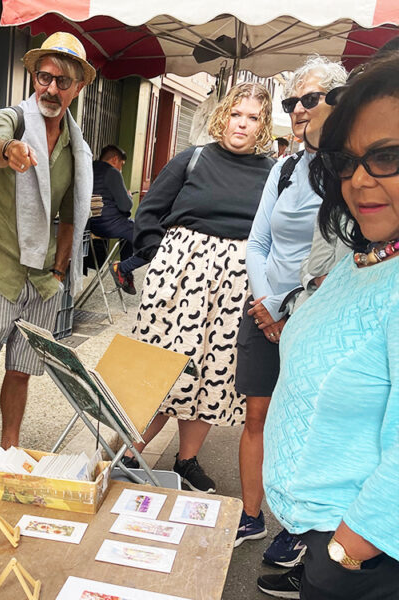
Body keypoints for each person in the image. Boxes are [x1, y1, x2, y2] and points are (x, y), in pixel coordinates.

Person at [260, 54, 399, 600]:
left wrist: (347, 551)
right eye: (346, 161)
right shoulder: (364, 256)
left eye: (385, 156)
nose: (358, 179)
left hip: (368, 559)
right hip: (325, 542)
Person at [120, 83, 276, 492]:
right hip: (179, 279)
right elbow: (149, 212)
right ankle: (123, 455)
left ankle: (186, 461)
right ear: (224, 115)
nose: (242, 123)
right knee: (158, 368)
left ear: (262, 126)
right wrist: (163, 261)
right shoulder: (193, 158)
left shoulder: (272, 172)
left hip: (234, 285)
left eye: (253, 117)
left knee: (213, 372)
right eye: (237, 114)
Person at [0, 32, 93, 455]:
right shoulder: (11, 118)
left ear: (78, 87)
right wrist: (11, 150)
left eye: (62, 81)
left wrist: (59, 267)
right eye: (43, 77)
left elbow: (71, 215)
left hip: (43, 278)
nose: (50, 88)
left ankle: (9, 452)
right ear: (34, 76)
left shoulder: (77, 148)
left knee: (21, 371)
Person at [234, 57, 347, 555]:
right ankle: (251, 515)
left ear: (339, 104)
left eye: (310, 99)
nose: (298, 110)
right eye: (291, 102)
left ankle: (299, 527)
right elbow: (257, 243)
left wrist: (288, 311)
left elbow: (344, 257)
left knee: (304, 421)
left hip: (315, 318)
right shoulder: (282, 169)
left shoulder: (348, 169)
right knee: (256, 416)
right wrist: (266, 306)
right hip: (264, 312)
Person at [89, 144, 136, 294]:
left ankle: (124, 272)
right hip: (108, 224)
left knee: (129, 229)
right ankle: (124, 271)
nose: (121, 168)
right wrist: (129, 197)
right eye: (121, 164)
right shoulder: (112, 173)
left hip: (90, 224)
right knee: (138, 230)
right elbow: (125, 206)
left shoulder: (90, 167)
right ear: (115, 159)